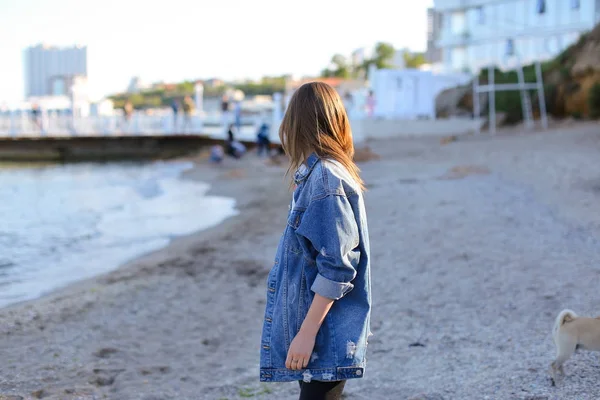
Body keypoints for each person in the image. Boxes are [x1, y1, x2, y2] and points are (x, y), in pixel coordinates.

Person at [259, 82, 371, 400]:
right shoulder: (322, 175)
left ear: (295, 124)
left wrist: (306, 335)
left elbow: (337, 266)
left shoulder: (325, 180)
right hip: (324, 329)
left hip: (324, 333)